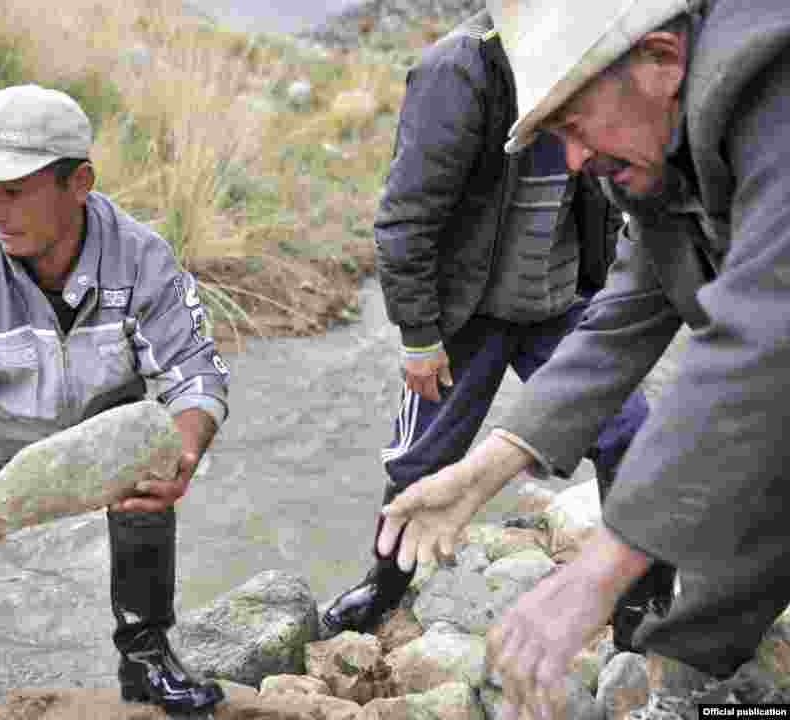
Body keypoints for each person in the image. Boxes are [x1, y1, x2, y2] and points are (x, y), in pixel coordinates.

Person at [378, 0, 790, 716]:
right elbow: (621, 320)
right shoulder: (656, 143)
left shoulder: (768, 79)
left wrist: (599, 568)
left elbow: (762, 338)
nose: (571, 160)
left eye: (573, 124)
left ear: (661, 59)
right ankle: (710, 685)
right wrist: (488, 466)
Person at [321, 8, 666, 648]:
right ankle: (387, 584)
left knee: (631, 429)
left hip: (559, 301)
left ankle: (642, 594)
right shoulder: (457, 72)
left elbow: (614, 196)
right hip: (465, 315)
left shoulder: (591, 50)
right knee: (421, 459)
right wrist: (420, 336)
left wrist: (608, 290)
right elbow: (406, 218)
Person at [0, 84, 230, 714]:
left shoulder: (143, 255)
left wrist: (181, 455)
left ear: (79, 183)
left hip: (107, 434)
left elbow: (196, 372)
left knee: (150, 474)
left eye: (12, 189)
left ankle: (147, 658)